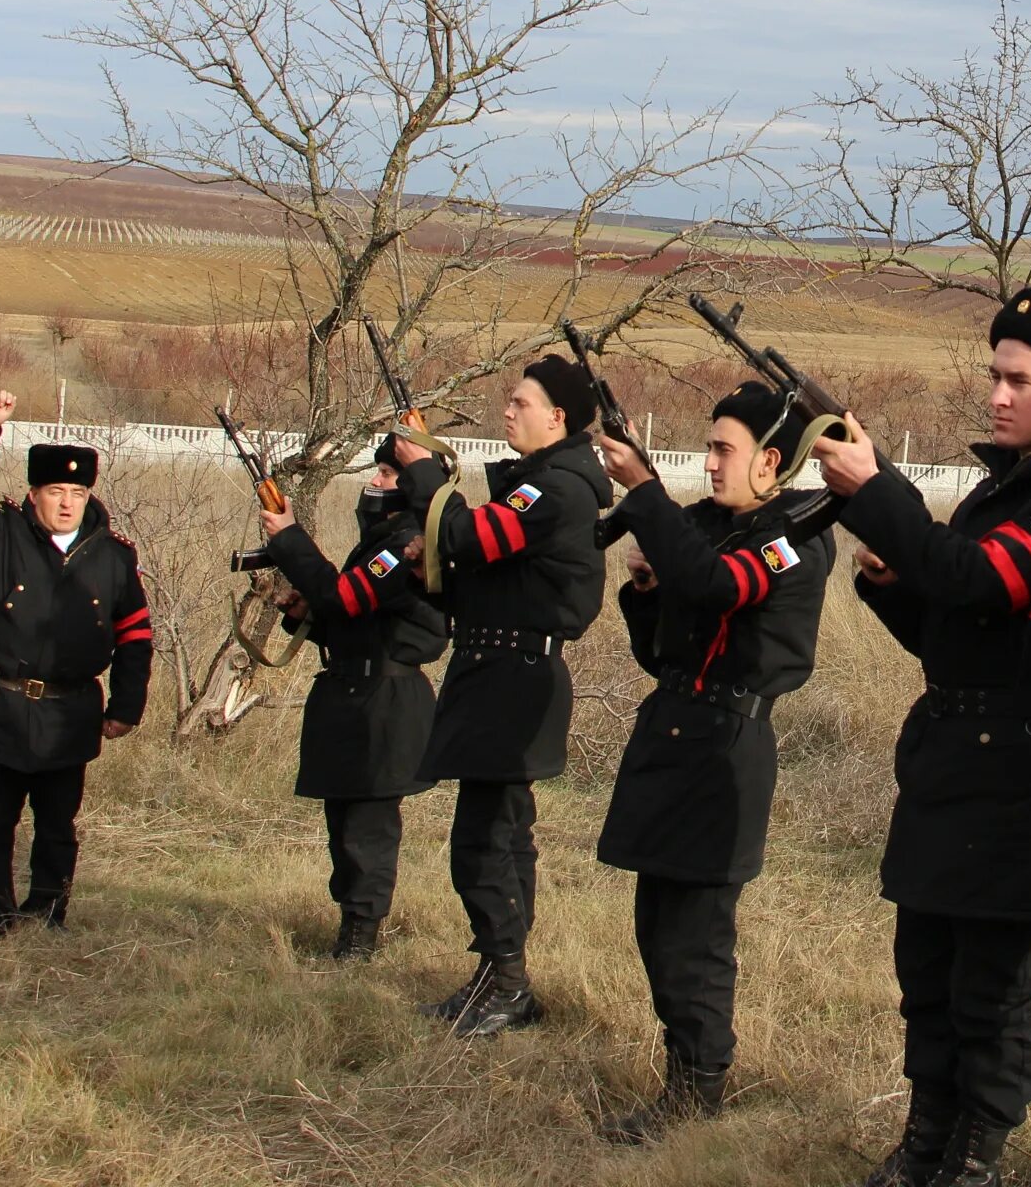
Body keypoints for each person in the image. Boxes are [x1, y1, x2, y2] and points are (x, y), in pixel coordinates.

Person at [812, 288, 1031, 1187]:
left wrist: (882, 497)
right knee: (927, 969)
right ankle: (927, 1135)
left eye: (1016, 379)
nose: (995, 394)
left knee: (991, 984)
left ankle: (975, 1156)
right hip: (955, 752)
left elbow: (983, 580)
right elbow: (953, 634)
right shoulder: (1014, 484)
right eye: (993, 374)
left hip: (1022, 769)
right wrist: (890, 580)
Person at [587, 381, 834, 1143]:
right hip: (675, 730)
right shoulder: (712, 530)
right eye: (710, 447)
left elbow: (720, 587)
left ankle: (698, 1092)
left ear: (770, 460)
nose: (711, 462)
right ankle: (681, 1077)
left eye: (724, 450)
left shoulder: (794, 534)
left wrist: (646, 493)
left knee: (696, 933)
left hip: (726, 749)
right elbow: (663, 650)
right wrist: (644, 591)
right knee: (657, 921)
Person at [410, 354, 612, 1036]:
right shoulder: (546, 481)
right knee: (500, 835)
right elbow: (476, 566)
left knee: (485, 839)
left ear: (557, 418)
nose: (507, 410)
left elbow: (470, 534)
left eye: (520, 403)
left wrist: (422, 477)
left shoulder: (556, 488)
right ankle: (499, 975)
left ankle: (507, 980)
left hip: (513, 681)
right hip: (499, 672)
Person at [0, 389, 151, 936]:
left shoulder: (114, 556)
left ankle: (49, 910)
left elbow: (133, 636)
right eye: (55, 490)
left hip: (70, 711)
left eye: (76, 492)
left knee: (58, 825)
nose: (65, 503)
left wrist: (127, 705)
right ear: (33, 494)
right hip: (2, 704)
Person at [257, 437, 454, 960]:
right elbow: (356, 621)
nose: (375, 482)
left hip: (385, 702)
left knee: (367, 827)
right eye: (378, 471)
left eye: (389, 474)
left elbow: (345, 598)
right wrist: (306, 617)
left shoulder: (406, 540)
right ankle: (350, 923)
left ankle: (361, 936)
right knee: (342, 822)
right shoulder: (382, 540)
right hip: (353, 691)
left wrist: (290, 539)